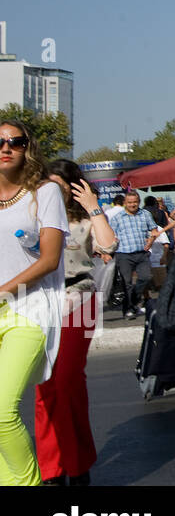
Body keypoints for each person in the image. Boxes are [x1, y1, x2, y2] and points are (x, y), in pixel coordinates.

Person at [35, 160, 117, 486]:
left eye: (60, 186)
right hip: (39, 303)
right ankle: (52, 470)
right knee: (45, 389)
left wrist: (94, 207)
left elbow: (109, 245)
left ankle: (78, 465)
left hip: (80, 301)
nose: (53, 192)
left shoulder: (85, 220)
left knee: (67, 382)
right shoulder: (36, 215)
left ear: (74, 187)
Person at [0, 120, 67, 486]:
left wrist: (2, 293)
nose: (6, 147)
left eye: (16, 141)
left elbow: (49, 260)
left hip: (28, 310)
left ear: (28, 148)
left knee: (2, 412)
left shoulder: (45, 193)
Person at [107, 191, 161, 319]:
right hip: (124, 254)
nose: (132, 205)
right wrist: (107, 252)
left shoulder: (145, 214)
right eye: (130, 202)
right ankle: (128, 309)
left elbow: (154, 230)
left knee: (146, 277)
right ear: (125, 203)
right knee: (127, 283)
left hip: (142, 253)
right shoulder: (118, 218)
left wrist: (151, 240)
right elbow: (110, 235)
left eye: (135, 202)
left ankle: (135, 300)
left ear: (139, 202)